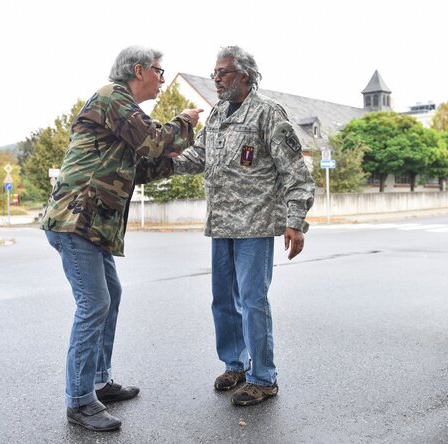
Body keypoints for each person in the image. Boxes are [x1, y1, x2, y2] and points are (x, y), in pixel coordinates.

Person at [40, 46, 202, 431]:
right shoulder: (113, 96)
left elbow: (142, 166)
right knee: (94, 304)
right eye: (161, 72)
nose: (163, 79)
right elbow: (152, 141)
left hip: (94, 227)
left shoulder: (124, 113)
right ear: (140, 69)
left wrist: (187, 158)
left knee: (110, 298)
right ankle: (79, 401)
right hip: (75, 221)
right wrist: (183, 122)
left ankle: (98, 381)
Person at [172, 46, 315, 406]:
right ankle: (235, 365)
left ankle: (263, 378)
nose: (216, 79)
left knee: (253, 301)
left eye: (224, 72)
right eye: (214, 73)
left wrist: (295, 222)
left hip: (254, 225)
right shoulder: (218, 114)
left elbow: (296, 173)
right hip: (221, 225)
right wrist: (158, 164)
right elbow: (197, 157)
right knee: (223, 301)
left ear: (246, 75)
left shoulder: (268, 113)